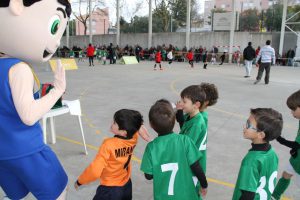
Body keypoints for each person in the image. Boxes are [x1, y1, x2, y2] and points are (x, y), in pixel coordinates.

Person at [0, 0, 71, 199]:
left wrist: (40, 96)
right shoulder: (19, 68)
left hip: (2, 154)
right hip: (26, 150)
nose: (56, 42)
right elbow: (29, 115)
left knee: (16, 195)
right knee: (59, 190)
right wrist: (57, 90)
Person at [140, 99, 208, 200]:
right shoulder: (185, 140)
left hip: (163, 196)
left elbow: (148, 175)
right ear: (173, 120)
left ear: (151, 124)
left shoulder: (152, 147)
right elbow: (196, 166)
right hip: (186, 195)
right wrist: (204, 184)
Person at [74, 109, 145, 200]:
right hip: (126, 185)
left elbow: (95, 171)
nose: (111, 123)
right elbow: (135, 125)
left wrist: (80, 181)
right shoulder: (134, 138)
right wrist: (139, 124)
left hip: (109, 190)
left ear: (124, 132)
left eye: (115, 123)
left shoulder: (108, 145)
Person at [232, 108, 283, 200]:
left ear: (261, 135)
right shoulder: (272, 154)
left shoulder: (251, 161)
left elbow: (248, 195)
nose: (244, 126)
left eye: (248, 125)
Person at [272, 90, 300, 200]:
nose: (292, 113)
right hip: (296, 158)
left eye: (294, 109)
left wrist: (280, 139)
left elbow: (297, 145)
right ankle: (275, 195)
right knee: (286, 174)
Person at [176, 86, 207, 176]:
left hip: (193, 168)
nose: (181, 103)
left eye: (184, 102)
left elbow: (186, 148)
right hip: (190, 162)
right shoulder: (189, 116)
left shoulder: (196, 124)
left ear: (196, 105)